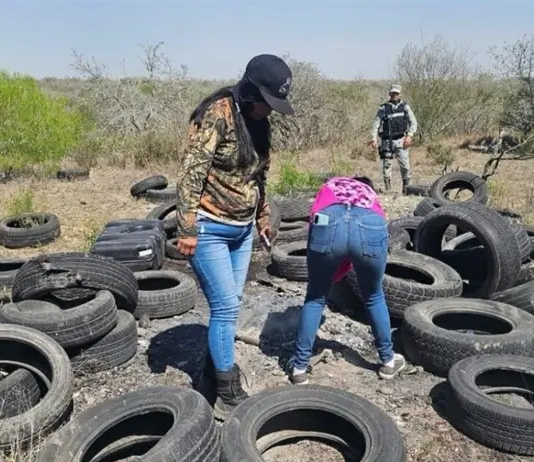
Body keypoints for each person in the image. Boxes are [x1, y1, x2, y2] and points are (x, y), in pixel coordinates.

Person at [174, 54, 294, 420]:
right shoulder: (218, 114)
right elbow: (191, 172)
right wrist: (186, 226)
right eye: (266, 103)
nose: (268, 111)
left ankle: (211, 374)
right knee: (225, 307)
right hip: (209, 226)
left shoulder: (260, 124)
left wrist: (262, 216)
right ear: (249, 91)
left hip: (242, 230)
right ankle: (226, 392)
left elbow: (258, 176)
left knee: (232, 302)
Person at [286, 175, 411, 385]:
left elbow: (313, 223)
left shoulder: (330, 186)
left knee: (316, 297)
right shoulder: (370, 194)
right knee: (373, 295)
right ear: (366, 185)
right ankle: (388, 361)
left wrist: (328, 275)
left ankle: (299, 367)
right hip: (370, 222)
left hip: (328, 220)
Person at [369, 85, 418, 193]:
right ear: (389, 94)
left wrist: (409, 136)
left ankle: (406, 190)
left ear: (400, 94)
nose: (394, 95)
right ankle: (388, 190)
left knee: (405, 166)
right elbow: (376, 124)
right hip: (387, 141)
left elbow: (413, 123)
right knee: (386, 165)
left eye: (396, 93)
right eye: (392, 93)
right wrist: (374, 138)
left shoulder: (405, 107)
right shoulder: (383, 108)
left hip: (401, 140)